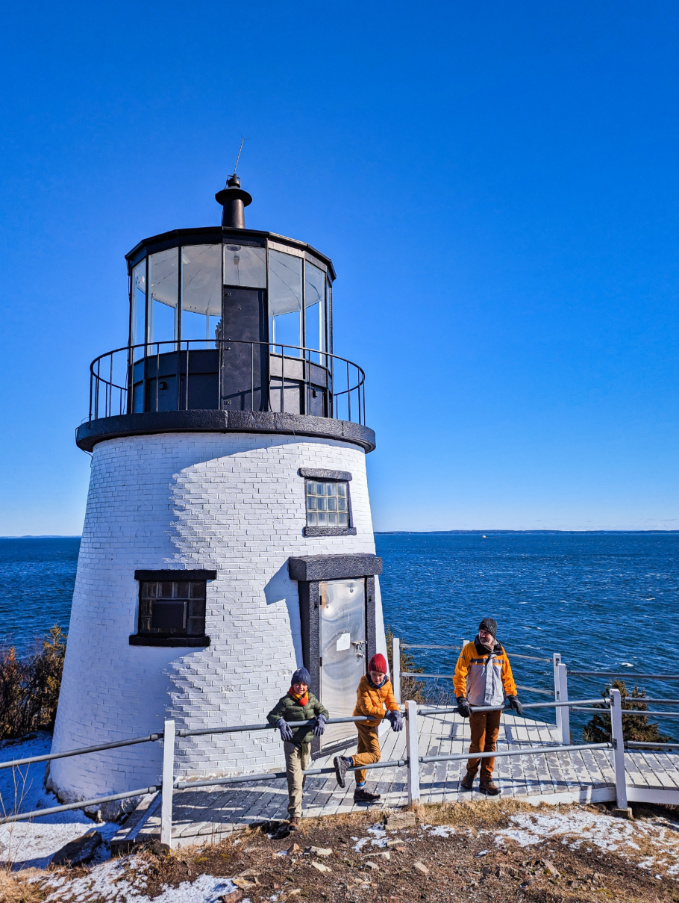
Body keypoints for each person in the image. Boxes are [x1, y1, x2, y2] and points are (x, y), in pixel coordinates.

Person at [453, 617, 523, 795]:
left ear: (493, 634)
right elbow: (459, 675)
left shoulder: (501, 651)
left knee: (491, 743)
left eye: (486, 633)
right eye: (481, 632)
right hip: (476, 705)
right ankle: (470, 775)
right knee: (478, 743)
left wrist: (512, 696)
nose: (483, 635)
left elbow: (507, 676)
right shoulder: (469, 649)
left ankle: (486, 780)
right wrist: (461, 698)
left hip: (496, 705)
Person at [333, 653, 403, 804]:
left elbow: (390, 700)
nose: (377, 678)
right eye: (374, 674)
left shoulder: (387, 683)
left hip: (373, 722)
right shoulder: (363, 685)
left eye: (380, 675)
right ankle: (346, 761)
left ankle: (359, 790)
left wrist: (396, 713)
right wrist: (387, 714)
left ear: (384, 674)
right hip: (363, 721)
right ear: (369, 672)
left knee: (363, 753)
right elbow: (367, 709)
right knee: (374, 755)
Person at [267, 667, 329, 828]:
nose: (300, 687)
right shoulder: (286, 701)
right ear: (292, 684)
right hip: (291, 744)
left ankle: (297, 807)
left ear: (307, 686)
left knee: (302, 777)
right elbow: (272, 715)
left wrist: (321, 718)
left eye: (303, 684)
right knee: (295, 779)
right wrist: (280, 722)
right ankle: (295, 815)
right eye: (297, 684)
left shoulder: (311, 699)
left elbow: (323, 710)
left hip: (305, 745)